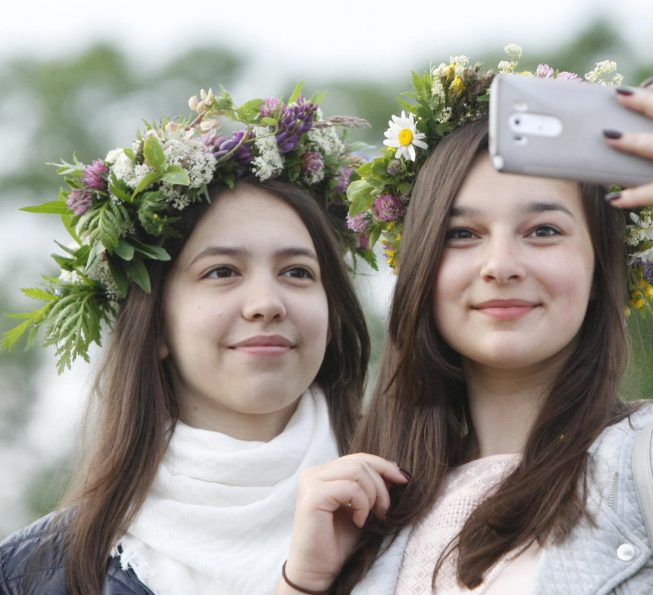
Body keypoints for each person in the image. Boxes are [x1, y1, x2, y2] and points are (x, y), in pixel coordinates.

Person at [279, 47, 653, 594]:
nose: (500, 266)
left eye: (543, 231)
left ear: (601, 268)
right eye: (462, 234)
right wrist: (305, 585)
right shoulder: (366, 516)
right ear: (421, 266)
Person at [0, 86, 408, 594]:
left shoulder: (418, 510)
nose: (267, 301)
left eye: (298, 272)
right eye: (221, 271)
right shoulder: (35, 575)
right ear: (156, 327)